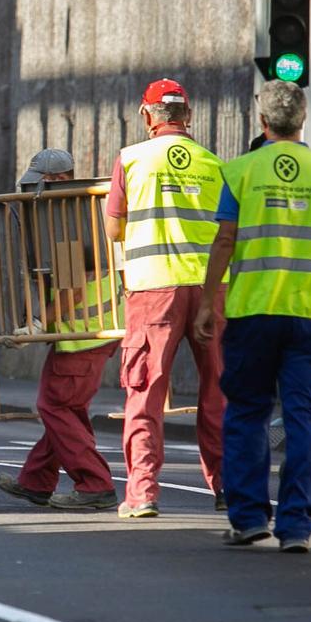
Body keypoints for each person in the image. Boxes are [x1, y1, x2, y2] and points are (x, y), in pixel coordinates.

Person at [193, 80, 311, 553]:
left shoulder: (241, 170)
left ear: (262, 122)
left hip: (253, 312)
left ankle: (248, 518)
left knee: (247, 413)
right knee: (305, 418)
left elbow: (224, 240)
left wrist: (208, 302)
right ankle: (296, 526)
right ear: (302, 120)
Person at [104, 78, 228, 518]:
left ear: (146, 115)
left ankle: (142, 494)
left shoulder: (132, 159)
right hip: (212, 290)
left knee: (146, 392)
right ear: (188, 116)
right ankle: (227, 488)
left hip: (155, 288)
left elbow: (114, 228)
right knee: (218, 391)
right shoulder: (214, 164)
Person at [0, 150, 123, 511]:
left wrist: (39, 323)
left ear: (56, 181)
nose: (33, 194)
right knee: (67, 409)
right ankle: (35, 482)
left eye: (39, 184)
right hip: (90, 332)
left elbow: (73, 291)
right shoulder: (82, 214)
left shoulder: (66, 221)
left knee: (53, 406)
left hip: (82, 334)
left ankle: (95, 485)